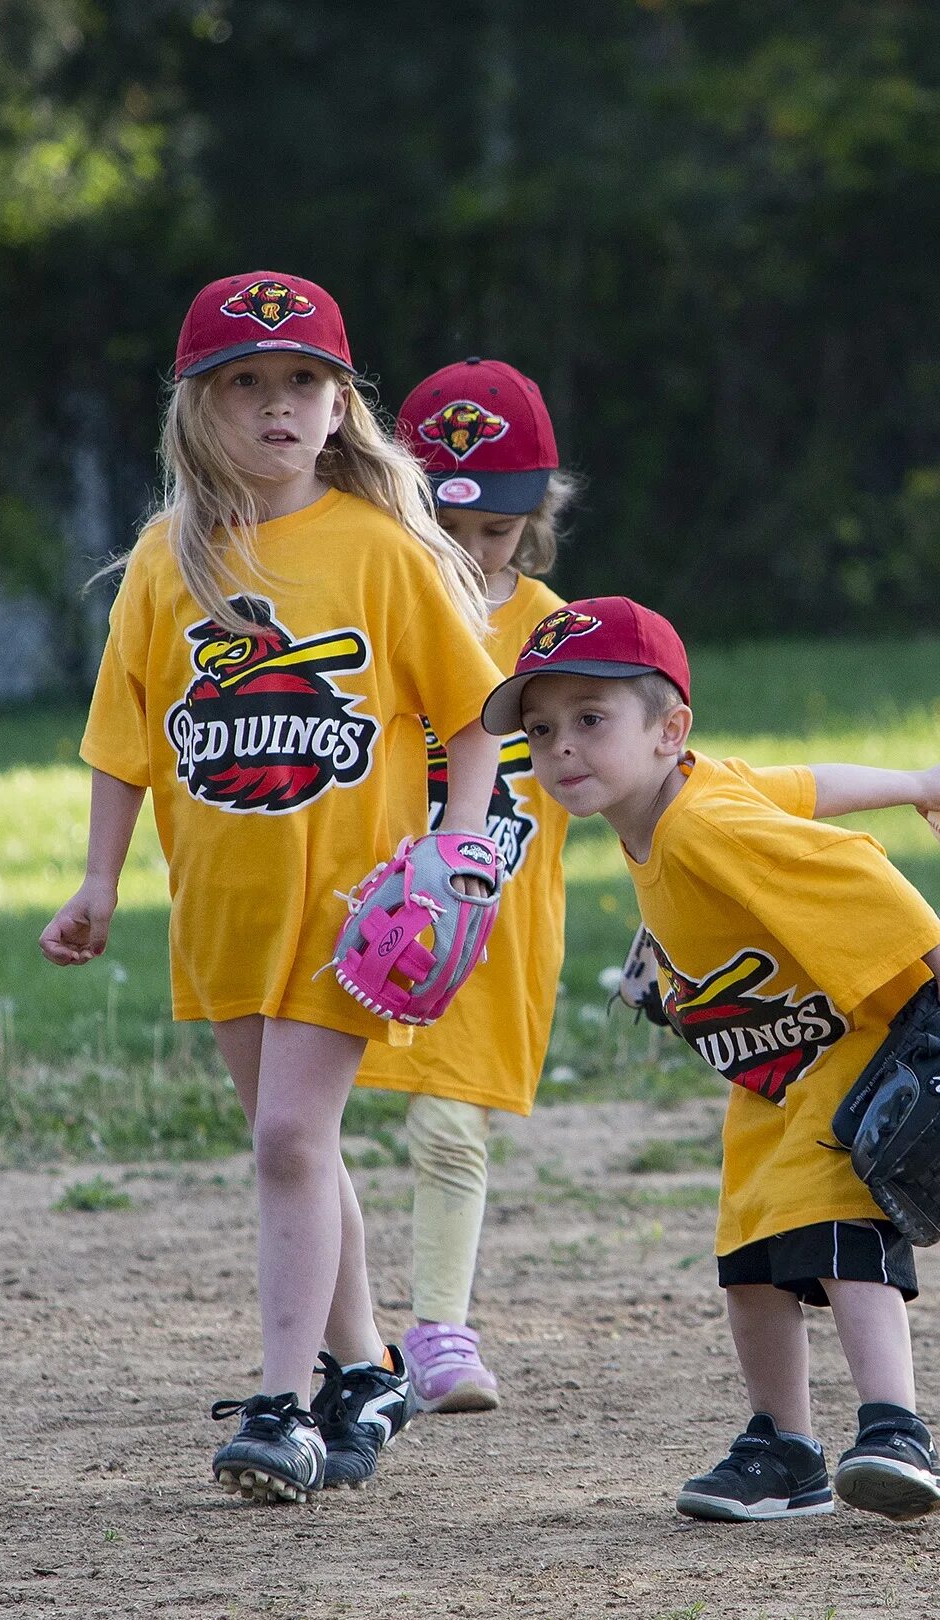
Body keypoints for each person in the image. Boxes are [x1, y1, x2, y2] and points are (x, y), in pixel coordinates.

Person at [39, 271, 504, 1505]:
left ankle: (285, 1405)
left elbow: (471, 722)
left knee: (291, 1139)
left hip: (360, 914)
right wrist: (98, 882)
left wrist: (460, 848)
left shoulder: (383, 551)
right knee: (296, 1146)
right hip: (225, 909)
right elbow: (122, 737)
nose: (277, 405)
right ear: (197, 410)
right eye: (245, 384)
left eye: (303, 380)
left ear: (344, 406)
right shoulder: (166, 558)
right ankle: (364, 1373)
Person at [486, 597, 940, 1522]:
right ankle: (784, 1448)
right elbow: (805, 783)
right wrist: (919, 781)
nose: (561, 746)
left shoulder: (704, 826)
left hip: (856, 1052)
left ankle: (896, 1429)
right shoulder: (682, 796)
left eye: (591, 720)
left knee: (842, 1234)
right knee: (751, 1253)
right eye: (540, 728)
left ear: (668, 732)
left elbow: (855, 869)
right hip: (773, 1071)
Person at [355, 357, 582, 1413]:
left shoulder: (550, 631)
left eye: (497, 530)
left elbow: (617, 771)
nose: (473, 551)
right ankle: (344, 1332)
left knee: (451, 1128)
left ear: (535, 517)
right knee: (302, 1126)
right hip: (367, 908)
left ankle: (438, 1332)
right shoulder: (375, 602)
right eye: (450, 528)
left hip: (491, 923)